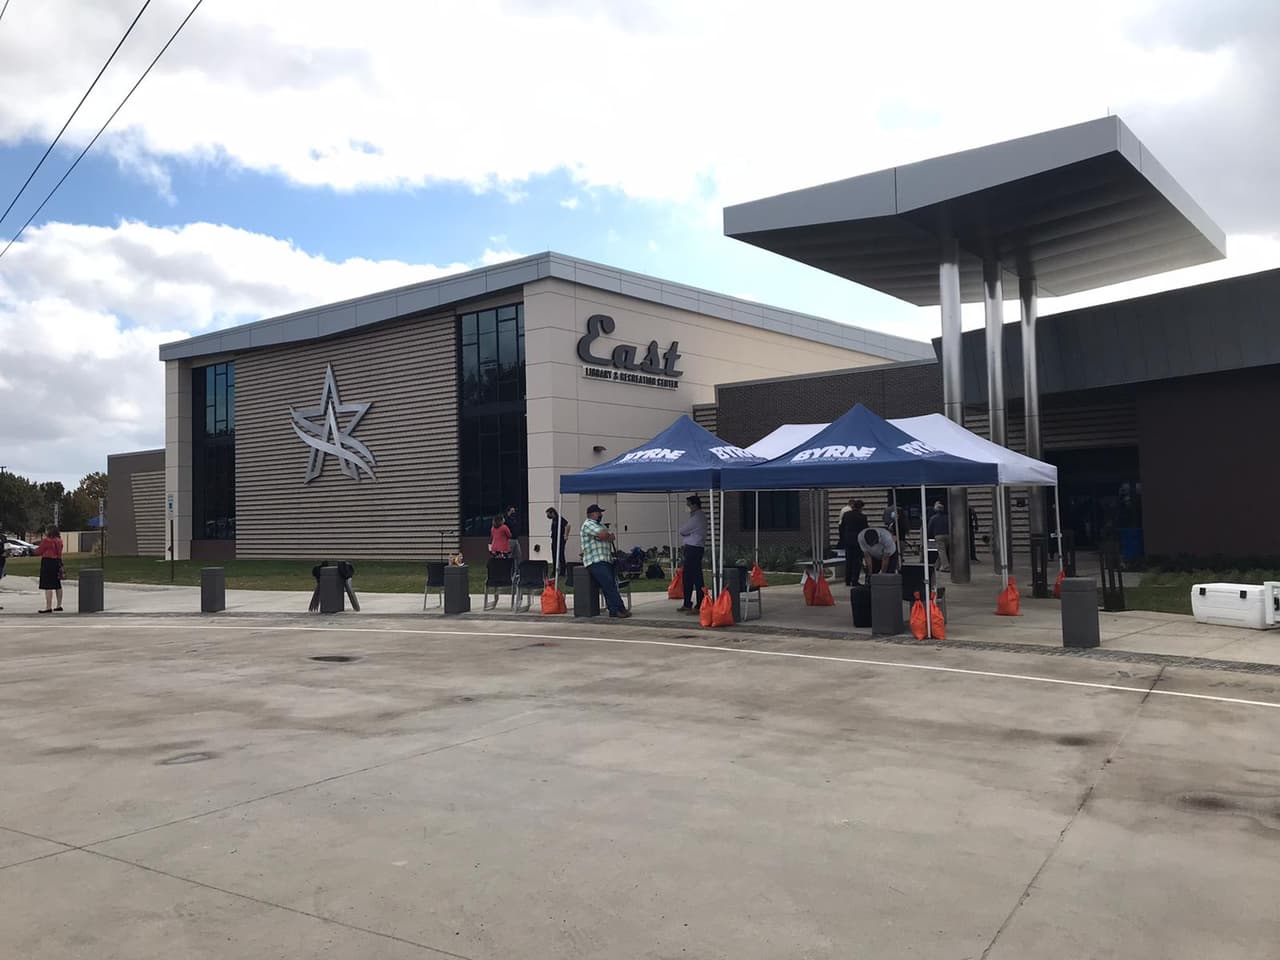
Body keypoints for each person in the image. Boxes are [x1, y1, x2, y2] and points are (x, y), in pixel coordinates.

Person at [580, 503, 630, 618]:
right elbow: (604, 534)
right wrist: (606, 536)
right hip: (595, 561)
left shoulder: (600, 525)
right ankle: (620, 608)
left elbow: (610, 536)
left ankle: (613, 610)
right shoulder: (588, 524)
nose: (601, 515)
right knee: (609, 584)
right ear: (592, 514)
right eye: (599, 513)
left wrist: (606, 536)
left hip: (605, 560)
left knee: (608, 585)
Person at [677, 494, 706, 614]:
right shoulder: (697, 516)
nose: (687, 507)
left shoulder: (697, 518)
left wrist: (687, 534)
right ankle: (687, 603)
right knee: (688, 576)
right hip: (695, 548)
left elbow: (682, 530)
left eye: (688, 505)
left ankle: (699, 604)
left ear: (694, 505)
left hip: (693, 549)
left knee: (695, 577)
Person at [839, 498, 868, 586]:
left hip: (847, 540)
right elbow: (865, 530)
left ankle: (847, 580)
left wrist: (843, 538)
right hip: (857, 541)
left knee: (848, 560)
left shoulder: (846, 515)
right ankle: (854, 580)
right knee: (857, 561)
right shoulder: (862, 517)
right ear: (861, 508)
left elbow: (841, 527)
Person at [35, 526, 64, 613]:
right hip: (57, 561)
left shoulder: (46, 541)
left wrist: (33, 551)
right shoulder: (59, 541)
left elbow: (39, 551)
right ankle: (59, 605)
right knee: (57, 584)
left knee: (48, 585)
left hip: (47, 562)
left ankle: (48, 607)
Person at [546, 507, 570, 576]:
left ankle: (563, 571)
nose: (547, 516)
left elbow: (568, 525)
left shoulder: (559, 519)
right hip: (554, 540)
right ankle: (554, 571)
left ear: (552, 513)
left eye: (548, 514)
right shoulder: (553, 519)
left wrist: (566, 535)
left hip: (560, 540)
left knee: (561, 555)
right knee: (554, 555)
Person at [928, 501, 951, 573]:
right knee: (942, 551)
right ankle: (937, 565)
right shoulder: (947, 517)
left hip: (938, 536)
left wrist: (930, 536)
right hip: (948, 535)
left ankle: (946, 566)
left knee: (941, 551)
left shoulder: (933, 518)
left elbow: (930, 528)